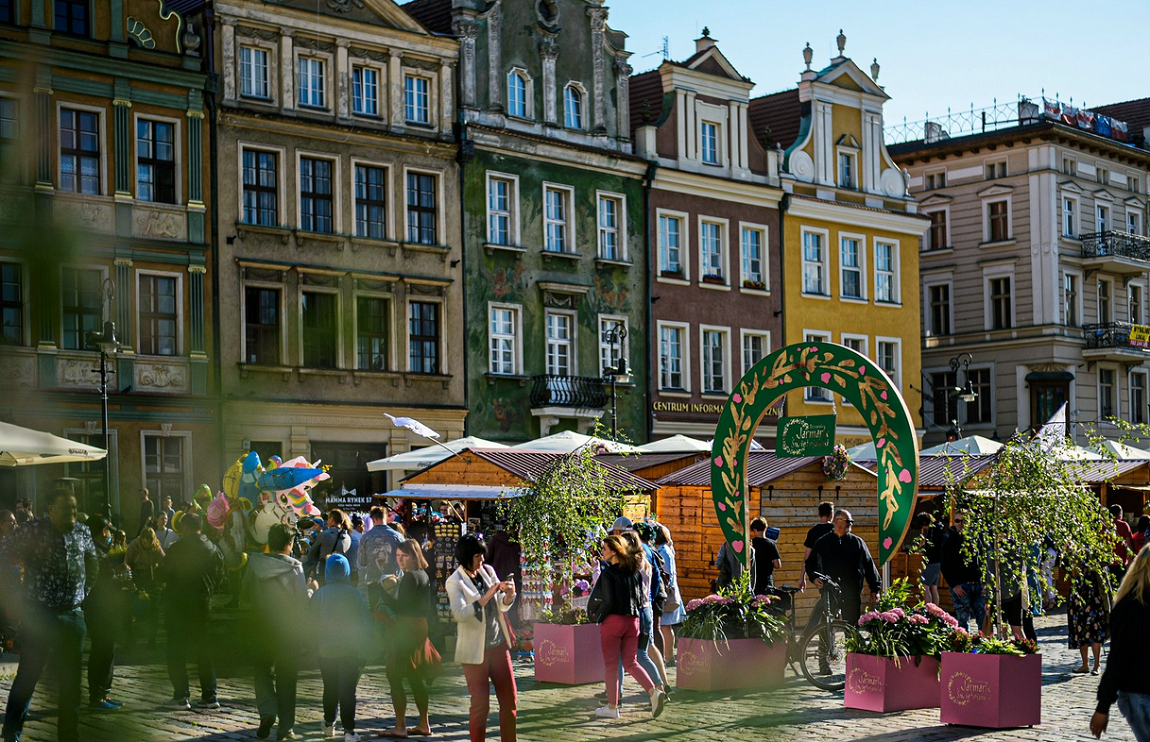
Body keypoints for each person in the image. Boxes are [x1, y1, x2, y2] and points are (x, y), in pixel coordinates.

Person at [0, 488, 97, 742]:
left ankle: (69, 736)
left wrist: (83, 593)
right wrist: (13, 590)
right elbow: (3, 552)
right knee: (28, 677)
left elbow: (93, 562)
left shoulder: (82, 531)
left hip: (72, 616)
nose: (72, 514)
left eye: (74, 509)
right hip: (39, 616)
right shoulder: (32, 531)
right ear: (51, 510)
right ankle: (11, 734)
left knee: (71, 683)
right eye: (66, 509)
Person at [445, 534, 518, 742]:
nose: (482, 560)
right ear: (466, 557)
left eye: (482, 555)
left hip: (498, 645)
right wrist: (486, 596)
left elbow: (501, 605)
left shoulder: (488, 571)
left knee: (510, 700)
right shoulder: (454, 581)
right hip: (474, 652)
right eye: (478, 556)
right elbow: (460, 614)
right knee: (480, 706)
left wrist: (509, 595)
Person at [587, 534, 664, 720]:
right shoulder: (634, 572)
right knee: (631, 662)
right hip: (633, 621)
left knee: (611, 666)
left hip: (613, 622)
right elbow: (640, 598)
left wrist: (598, 617)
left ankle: (612, 707)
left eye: (605, 549)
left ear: (614, 552)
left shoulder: (608, 573)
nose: (602, 552)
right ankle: (654, 691)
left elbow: (607, 601)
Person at [244, 523, 309, 741]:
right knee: (287, 677)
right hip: (287, 629)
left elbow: (245, 594)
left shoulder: (253, 564)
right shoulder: (295, 567)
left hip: (260, 626)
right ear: (289, 543)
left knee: (262, 671)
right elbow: (302, 602)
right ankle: (286, 727)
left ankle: (267, 711)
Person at [160, 512, 227, 710]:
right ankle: (210, 695)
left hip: (178, 604)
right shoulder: (212, 548)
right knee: (203, 650)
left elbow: (166, 574)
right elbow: (221, 576)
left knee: (176, 651)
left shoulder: (177, 548)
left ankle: (181, 695)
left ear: (185, 527)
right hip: (202, 604)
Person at [377, 539, 441, 738]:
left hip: (406, 629)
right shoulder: (423, 575)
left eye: (404, 556)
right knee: (415, 677)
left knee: (394, 676)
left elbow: (400, 607)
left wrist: (381, 592)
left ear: (414, 556)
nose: (400, 560)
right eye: (398, 556)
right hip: (420, 627)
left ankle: (400, 726)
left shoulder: (410, 577)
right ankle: (424, 724)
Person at [310, 554, 373, 742]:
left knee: (329, 688)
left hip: (326, 649)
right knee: (348, 691)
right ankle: (349, 731)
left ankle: (329, 723)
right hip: (351, 650)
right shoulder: (355, 594)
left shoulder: (320, 594)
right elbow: (366, 622)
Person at [1091, 544, 1150, 741]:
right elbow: (1119, 658)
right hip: (1139, 691)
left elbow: (1118, 658)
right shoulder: (1132, 608)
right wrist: (1103, 705)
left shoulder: (1129, 606)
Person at [805, 509, 881, 626]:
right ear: (837, 521)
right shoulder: (822, 543)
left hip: (852, 594)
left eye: (851, 521)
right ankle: (826, 639)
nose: (851, 524)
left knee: (852, 629)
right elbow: (810, 564)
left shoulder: (857, 543)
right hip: (830, 593)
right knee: (826, 628)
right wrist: (814, 577)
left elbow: (869, 565)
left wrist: (875, 589)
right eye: (848, 521)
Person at [617, 529, 668, 699]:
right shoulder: (645, 562)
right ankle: (660, 688)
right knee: (642, 654)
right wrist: (649, 600)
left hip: (634, 611)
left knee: (621, 655)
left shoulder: (630, 565)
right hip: (647, 609)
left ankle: (616, 694)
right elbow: (656, 583)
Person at [941, 510, 986, 633]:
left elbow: (983, 560)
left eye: (964, 521)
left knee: (982, 617)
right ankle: (963, 642)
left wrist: (984, 582)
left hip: (977, 584)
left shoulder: (975, 539)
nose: (960, 523)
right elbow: (945, 566)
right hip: (960, 586)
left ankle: (984, 641)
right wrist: (954, 585)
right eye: (957, 521)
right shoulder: (949, 541)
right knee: (963, 619)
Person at [125, 526, 166, 649]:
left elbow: (164, 561)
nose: (147, 542)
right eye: (145, 539)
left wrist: (163, 580)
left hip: (152, 579)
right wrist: (130, 580)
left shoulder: (156, 546)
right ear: (142, 538)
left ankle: (152, 639)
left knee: (154, 610)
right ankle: (131, 639)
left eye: (150, 540)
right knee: (133, 608)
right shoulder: (134, 545)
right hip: (137, 577)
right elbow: (127, 563)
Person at [358, 506, 404, 609]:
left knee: (376, 611)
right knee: (394, 610)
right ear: (386, 517)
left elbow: (362, 561)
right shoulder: (398, 536)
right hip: (393, 581)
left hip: (374, 581)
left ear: (373, 519)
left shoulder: (365, 537)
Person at [1069, 569, 1111, 676]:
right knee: (1080, 629)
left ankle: (1097, 665)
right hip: (1078, 595)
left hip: (1093, 595)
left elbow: (1105, 564)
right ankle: (1085, 664)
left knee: (1095, 629)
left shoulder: (1094, 560)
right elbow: (1072, 572)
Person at [654, 524, 683, 665]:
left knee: (666, 626)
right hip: (666, 592)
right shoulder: (664, 549)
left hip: (667, 594)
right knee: (665, 626)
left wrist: (664, 589)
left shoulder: (664, 551)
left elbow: (668, 573)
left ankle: (669, 657)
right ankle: (667, 656)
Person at [485, 526, 522, 632]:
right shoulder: (518, 541)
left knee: (498, 603)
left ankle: (502, 628)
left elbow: (488, 558)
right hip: (514, 576)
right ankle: (513, 629)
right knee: (512, 602)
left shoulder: (496, 540)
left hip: (498, 575)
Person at [304, 509, 352, 585]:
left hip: (324, 571)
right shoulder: (348, 538)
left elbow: (311, 555)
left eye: (328, 519)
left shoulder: (324, 535)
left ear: (332, 519)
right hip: (341, 571)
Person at [798, 501, 836, 592]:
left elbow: (807, 557)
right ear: (831, 514)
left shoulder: (813, 532)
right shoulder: (836, 530)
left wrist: (802, 577)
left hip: (820, 573)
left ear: (819, 514)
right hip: (836, 571)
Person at [913, 512, 947, 605]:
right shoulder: (939, 528)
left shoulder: (932, 531)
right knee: (933, 587)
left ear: (924, 522)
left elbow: (930, 547)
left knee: (925, 586)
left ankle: (929, 610)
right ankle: (936, 610)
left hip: (931, 562)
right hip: (938, 562)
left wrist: (922, 548)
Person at [749, 518, 782, 594]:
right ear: (765, 528)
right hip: (767, 582)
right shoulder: (770, 544)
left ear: (754, 530)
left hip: (752, 581)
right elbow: (777, 565)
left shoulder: (750, 544)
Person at [1112, 504, 1135, 580]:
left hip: (1107, 563)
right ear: (1120, 514)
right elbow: (1129, 544)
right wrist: (1130, 561)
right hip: (1120, 563)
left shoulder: (1104, 525)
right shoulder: (1124, 525)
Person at [347, 514, 364, 589]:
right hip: (356, 568)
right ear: (358, 526)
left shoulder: (347, 535)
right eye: (363, 526)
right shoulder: (361, 537)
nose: (364, 528)